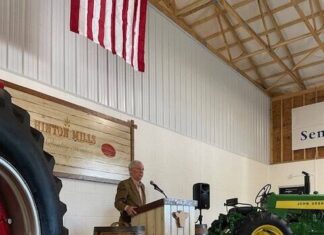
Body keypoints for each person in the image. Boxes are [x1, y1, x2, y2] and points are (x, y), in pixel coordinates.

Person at [114, 160, 146, 225]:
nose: (141, 171)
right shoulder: (124, 184)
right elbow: (117, 203)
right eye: (139, 169)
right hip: (127, 223)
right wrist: (127, 208)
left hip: (140, 222)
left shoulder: (142, 186)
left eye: (142, 169)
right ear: (130, 170)